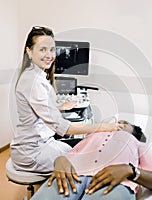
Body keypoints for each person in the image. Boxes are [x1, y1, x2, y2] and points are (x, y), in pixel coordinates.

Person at [10, 26, 122, 174]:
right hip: (33, 153)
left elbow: (40, 109)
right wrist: (103, 126)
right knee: (88, 158)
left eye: (52, 49)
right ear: (29, 51)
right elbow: (62, 127)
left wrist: (60, 107)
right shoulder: (32, 81)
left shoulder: (35, 75)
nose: (49, 55)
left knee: (83, 147)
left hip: (42, 143)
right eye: (42, 49)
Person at [31, 120, 152, 200]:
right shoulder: (93, 136)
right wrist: (59, 160)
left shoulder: (136, 143)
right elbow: (70, 154)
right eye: (118, 121)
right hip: (72, 176)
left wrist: (130, 170)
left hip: (116, 183)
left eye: (125, 123)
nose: (120, 123)